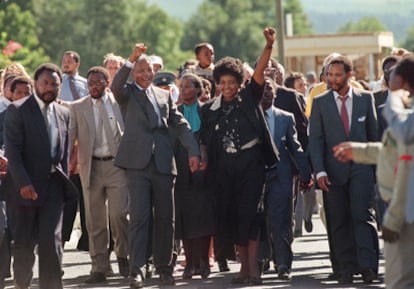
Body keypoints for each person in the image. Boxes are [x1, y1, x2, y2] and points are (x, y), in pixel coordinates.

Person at [111, 43, 201, 288]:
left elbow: (179, 123)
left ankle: (164, 267)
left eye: (149, 70)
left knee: (166, 218)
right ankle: (137, 270)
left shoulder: (164, 95)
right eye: (141, 70)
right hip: (137, 165)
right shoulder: (126, 92)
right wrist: (131, 59)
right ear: (133, 72)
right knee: (139, 217)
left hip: (163, 163)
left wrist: (193, 150)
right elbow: (115, 86)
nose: (146, 74)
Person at [199, 27, 278, 286]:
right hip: (224, 170)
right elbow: (206, 140)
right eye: (222, 83)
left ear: (239, 82)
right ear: (216, 84)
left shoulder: (249, 96)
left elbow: (259, 72)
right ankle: (243, 270)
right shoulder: (210, 109)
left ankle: (253, 271)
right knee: (233, 218)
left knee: (251, 216)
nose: (227, 87)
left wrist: (268, 46)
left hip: (251, 165)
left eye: (231, 82)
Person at [4, 63, 78, 289]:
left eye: (54, 84)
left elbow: (63, 152)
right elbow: (13, 152)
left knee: (51, 243)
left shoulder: (64, 113)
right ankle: (21, 285)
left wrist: (64, 180)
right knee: (24, 245)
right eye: (45, 83)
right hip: (25, 189)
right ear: (36, 83)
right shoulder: (17, 110)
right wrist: (23, 183)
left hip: (53, 187)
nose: (49, 88)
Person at [308, 55, 379, 284]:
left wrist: (377, 169)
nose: (332, 79)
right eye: (329, 75)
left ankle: (368, 266)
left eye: (338, 75)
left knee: (363, 216)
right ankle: (345, 268)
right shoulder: (320, 103)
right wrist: (319, 171)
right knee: (337, 220)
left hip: (362, 169)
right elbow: (316, 140)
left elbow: (373, 136)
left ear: (349, 75)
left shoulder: (365, 99)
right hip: (332, 172)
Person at [68, 66, 129, 283]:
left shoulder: (118, 103)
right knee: (94, 220)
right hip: (91, 166)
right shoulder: (78, 107)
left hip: (116, 166)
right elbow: (71, 138)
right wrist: (69, 162)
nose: (94, 86)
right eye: (90, 83)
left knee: (120, 214)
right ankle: (100, 267)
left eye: (98, 82)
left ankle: (123, 255)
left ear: (107, 82)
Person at [261, 77, 312, 279]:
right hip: (256, 176)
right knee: (260, 220)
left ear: (275, 93)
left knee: (282, 220)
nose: (266, 93)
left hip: (282, 175)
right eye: (262, 90)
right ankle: (262, 259)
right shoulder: (249, 116)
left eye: (269, 90)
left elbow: (295, 147)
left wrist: (305, 172)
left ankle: (283, 264)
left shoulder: (285, 117)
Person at [174, 73, 215, 280]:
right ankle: (189, 263)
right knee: (185, 216)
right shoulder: (175, 111)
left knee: (204, 215)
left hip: (205, 168)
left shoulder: (207, 111)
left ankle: (204, 262)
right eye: (181, 87)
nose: (183, 91)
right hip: (181, 169)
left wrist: (204, 155)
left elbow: (211, 137)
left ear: (198, 90)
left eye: (188, 87)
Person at [59, 50, 89, 251]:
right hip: (66, 138)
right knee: (68, 194)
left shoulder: (85, 83)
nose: (66, 64)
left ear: (77, 64)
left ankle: (87, 238)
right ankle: (61, 238)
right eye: (64, 61)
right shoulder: (58, 83)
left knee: (86, 194)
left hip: (84, 140)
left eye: (70, 62)